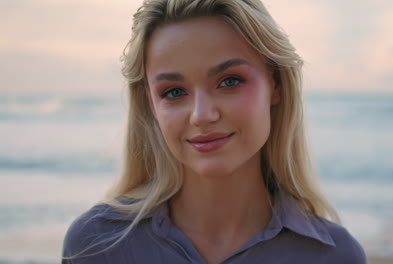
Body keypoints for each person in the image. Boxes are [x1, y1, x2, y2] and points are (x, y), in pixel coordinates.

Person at [62, 0, 367, 263]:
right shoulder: (95, 246)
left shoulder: (334, 257)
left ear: (275, 85)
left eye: (230, 81)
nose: (202, 115)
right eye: (174, 91)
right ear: (151, 105)